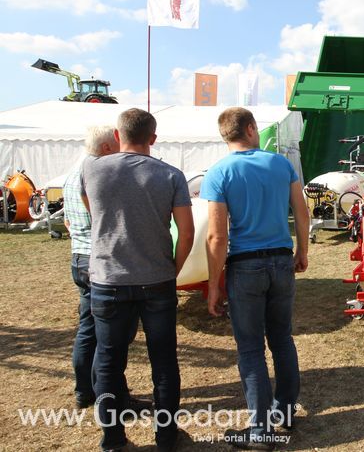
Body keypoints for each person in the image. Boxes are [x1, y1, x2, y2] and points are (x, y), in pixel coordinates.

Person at [81, 109, 194, 451]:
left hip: (108, 279)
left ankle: (113, 438)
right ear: (153, 138)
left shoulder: (92, 171)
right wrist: (174, 267)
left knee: (109, 361)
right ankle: (165, 435)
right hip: (157, 279)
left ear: (117, 135)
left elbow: (92, 212)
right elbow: (186, 231)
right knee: (163, 360)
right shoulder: (171, 175)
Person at [201, 107, 309, 450]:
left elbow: (217, 237)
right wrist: (302, 250)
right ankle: (286, 412)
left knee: (250, 350)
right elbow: (301, 211)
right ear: (250, 129)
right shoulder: (280, 164)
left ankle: (260, 430)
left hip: (244, 266)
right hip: (280, 260)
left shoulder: (218, 172)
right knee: (282, 339)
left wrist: (214, 283)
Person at [63, 126, 149, 412]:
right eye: (117, 145)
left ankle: (84, 390)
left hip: (79, 255)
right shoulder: (97, 175)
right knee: (113, 336)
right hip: (99, 262)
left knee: (88, 329)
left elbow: (67, 221)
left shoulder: (74, 171)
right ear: (107, 149)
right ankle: (112, 396)